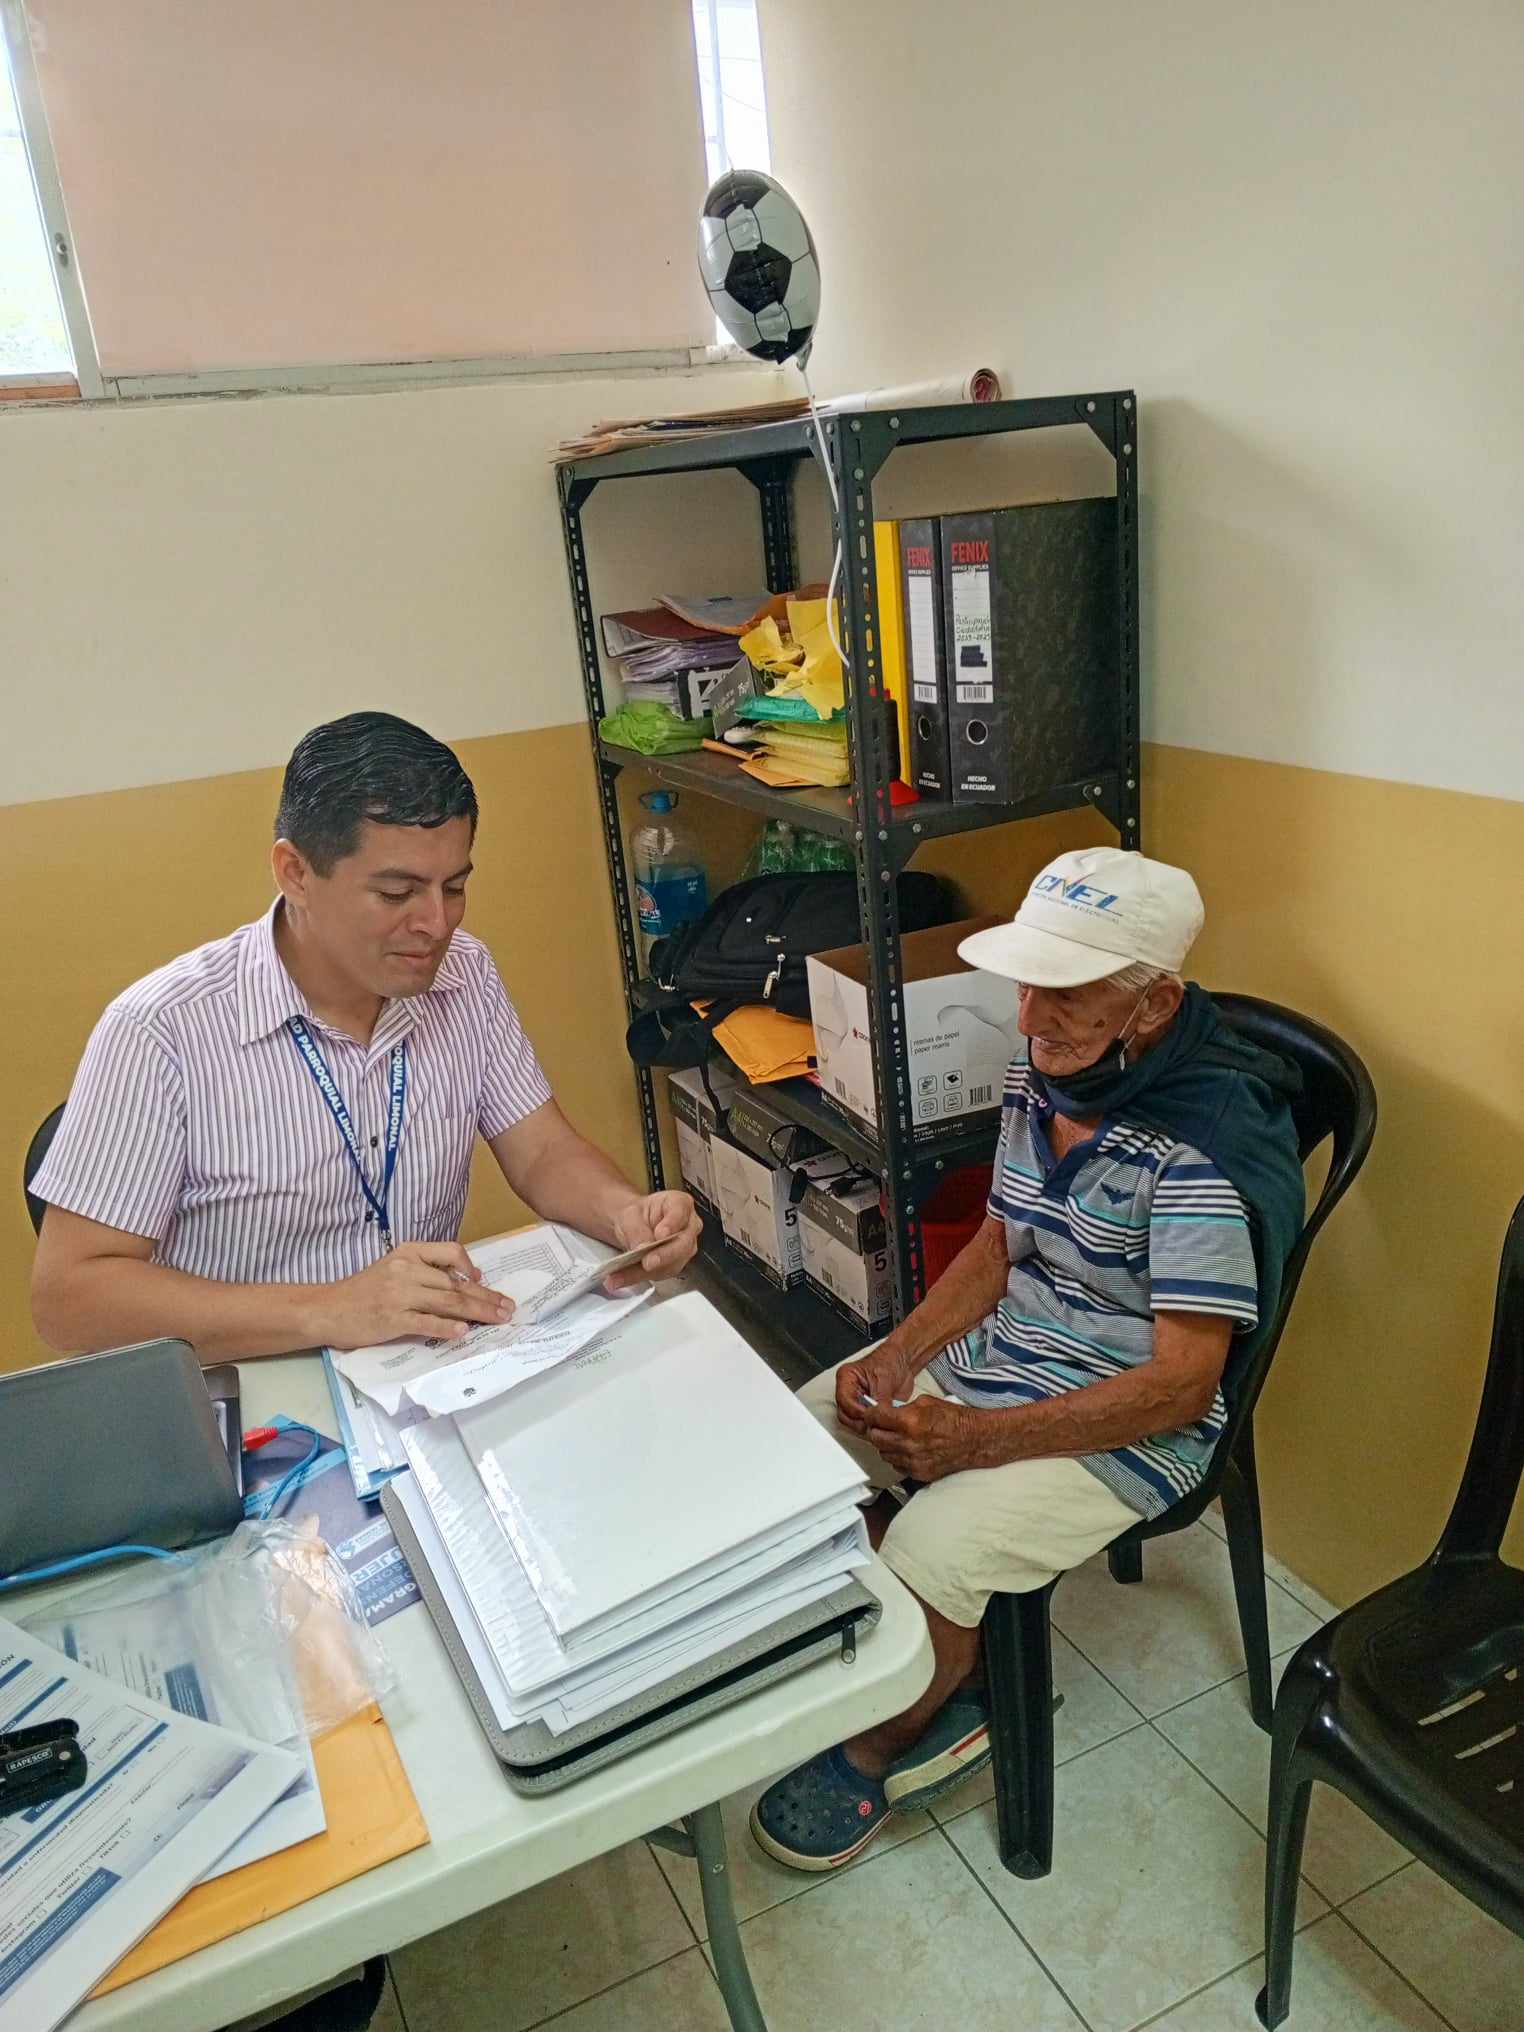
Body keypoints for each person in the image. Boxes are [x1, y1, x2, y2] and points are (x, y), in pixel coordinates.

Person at [750, 846, 1306, 1871]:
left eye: (1066, 994)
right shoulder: (1052, 1072)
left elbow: (1183, 1386)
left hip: (1134, 1420)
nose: (1029, 1017)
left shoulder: (1202, 1152)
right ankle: (949, 1663)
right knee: (804, 1438)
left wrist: (976, 1441)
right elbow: (1000, 1242)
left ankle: (886, 1739)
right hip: (1015, 1353)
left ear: (1153, 1004)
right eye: (1028, 986)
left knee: (934, 1549)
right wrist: (901, 1355)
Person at [30, 712, 701, 1360]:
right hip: (259, 1388)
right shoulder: (161, 1029)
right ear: (296, 873)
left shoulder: (465, 974)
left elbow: (544, 1151)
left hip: (430, 1366)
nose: (436, 924)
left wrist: (624, 1214)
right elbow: (69, 1300)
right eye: (396, 893)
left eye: (454, 887)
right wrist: (330, 1309)